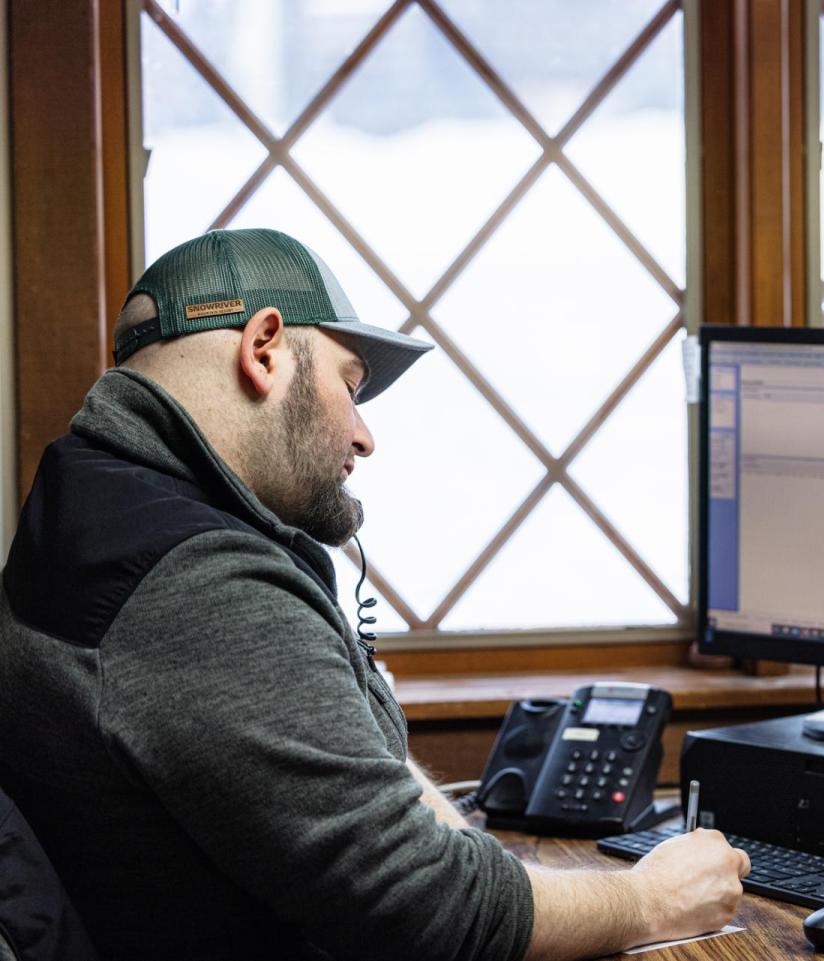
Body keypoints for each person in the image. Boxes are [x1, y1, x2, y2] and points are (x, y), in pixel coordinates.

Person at [0, 229, 749, 961]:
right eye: (350, 386)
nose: (364, 437)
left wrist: (445, 842)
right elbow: (425, 906)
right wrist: (648, 901)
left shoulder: (87, 516)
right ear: (263, 349)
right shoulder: (199, 584)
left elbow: (357, 798)